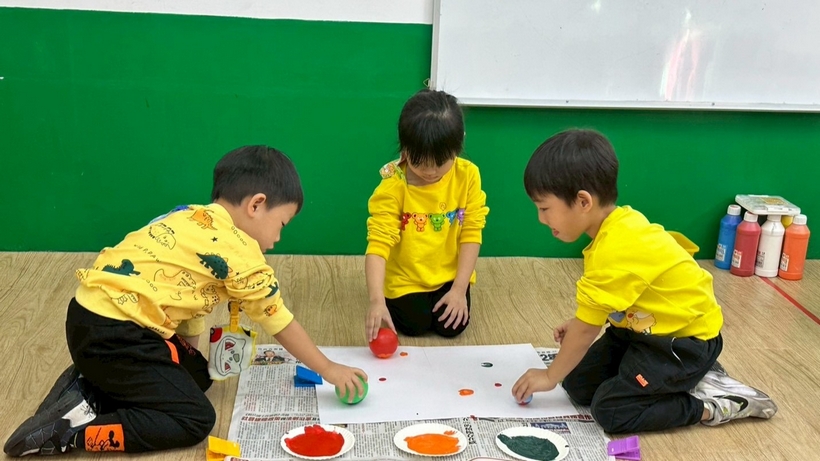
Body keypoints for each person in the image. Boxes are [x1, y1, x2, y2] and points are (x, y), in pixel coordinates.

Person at [4, 146, 367, 456]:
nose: (277, 238)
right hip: (118, 336)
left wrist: (185, 359)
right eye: (282, 224)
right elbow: (278, 319)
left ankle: (85, 387)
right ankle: (71, 433)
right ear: (257, 204)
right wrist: (328, 368)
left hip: (87, 317)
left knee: (198, 376)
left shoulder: (189, 216)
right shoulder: (241, 252)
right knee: (194, 419)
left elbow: (187, 298)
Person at [511, 129, 777, 433]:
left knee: (611, 411)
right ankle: (691, 377)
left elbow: (586, 332)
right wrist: (583, 321)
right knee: (577, 385)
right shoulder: (617, 223)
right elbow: (620, 296)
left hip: (683, 344)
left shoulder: (615, 248)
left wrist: (548, 376)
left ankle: (709, 405)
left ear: (583, 201)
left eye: (544, 208)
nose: (541, 219)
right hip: (641, 331)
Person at [364, 89, 489, 341]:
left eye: (441, 162)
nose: (431, 172)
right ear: (404, 147)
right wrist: (377, 301)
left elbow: (471, 233)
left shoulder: (468, 176)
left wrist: (459, 289)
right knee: (414, 324)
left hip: (449, 276)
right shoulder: (392, 187)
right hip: (405, 279)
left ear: (459, 144)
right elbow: (378, 246)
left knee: (452, 327)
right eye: (420, 162)